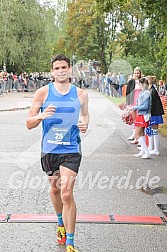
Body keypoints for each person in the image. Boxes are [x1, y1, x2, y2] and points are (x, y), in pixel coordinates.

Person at [26, 54, 89, 252]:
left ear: (69, 69)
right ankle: (60, 223)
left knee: (67, 193)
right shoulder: (43, 93)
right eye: (57, 68)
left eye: (64, 67)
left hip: (71, 149)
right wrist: (41, 116)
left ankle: (70, 242)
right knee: (55, 190)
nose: (61, 71)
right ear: (52, 71)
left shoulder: (80, 94)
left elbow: (85, 114)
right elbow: (29, 123)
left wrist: (85, 123)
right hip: (50, 150)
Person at [130, 77, 151, 159]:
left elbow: (145, 106)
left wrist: (135, 107)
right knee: (141, 134)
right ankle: (143, 151)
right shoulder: (144, 92)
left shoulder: (145, 93)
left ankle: (146, 152)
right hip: (141, 114)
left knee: (137, 134)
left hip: (142, 115)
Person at [146, 76, 164, 155]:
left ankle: (156, 149)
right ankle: (150, 147)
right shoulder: (150, 90)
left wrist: (149, 113)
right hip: (153, 112)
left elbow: (151, 103)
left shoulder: (152, 91)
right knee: (151, 130)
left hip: (154, 113)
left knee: (154, 130)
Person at [126, 67, 142, 143]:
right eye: (135, 73)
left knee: (139, 119)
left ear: (140, 73)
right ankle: (134, 134)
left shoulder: (142, 81)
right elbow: (128, 93)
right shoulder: (131, 82)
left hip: (140, 102)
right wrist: (127, 103)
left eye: (138, 73)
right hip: (132, 101)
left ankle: (138, 136)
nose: (136, 74)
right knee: (134, 118)